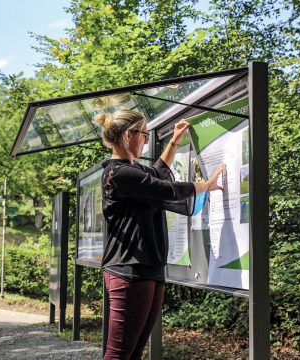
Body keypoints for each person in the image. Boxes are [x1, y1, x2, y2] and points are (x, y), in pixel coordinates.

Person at [95, 110, 225, 360]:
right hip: (129, 272)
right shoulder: (118, 173)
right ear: (128, 135)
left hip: (148, 269)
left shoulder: (132, 171)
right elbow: (165, 188)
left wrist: (175, 142)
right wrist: (205, 186)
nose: (145, 140)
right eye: (143, 134)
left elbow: (157, 173)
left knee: (134, 353)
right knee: (119, 354)